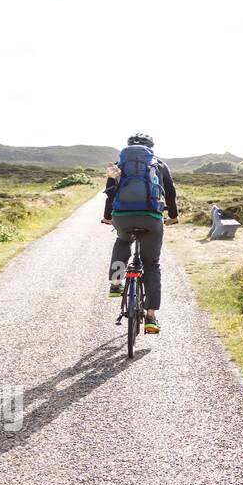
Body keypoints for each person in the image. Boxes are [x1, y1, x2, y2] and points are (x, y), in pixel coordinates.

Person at [103, 133, 178, 334]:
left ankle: (116, 282)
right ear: (151, 147)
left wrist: (108, 216)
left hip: (122, 217)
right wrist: (173, 215)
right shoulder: (158, 165)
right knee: (151, 264)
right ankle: (151, 317)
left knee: (122, 242)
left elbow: (111, 192)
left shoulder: (118, 166)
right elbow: (170, 192)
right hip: (151, 218)